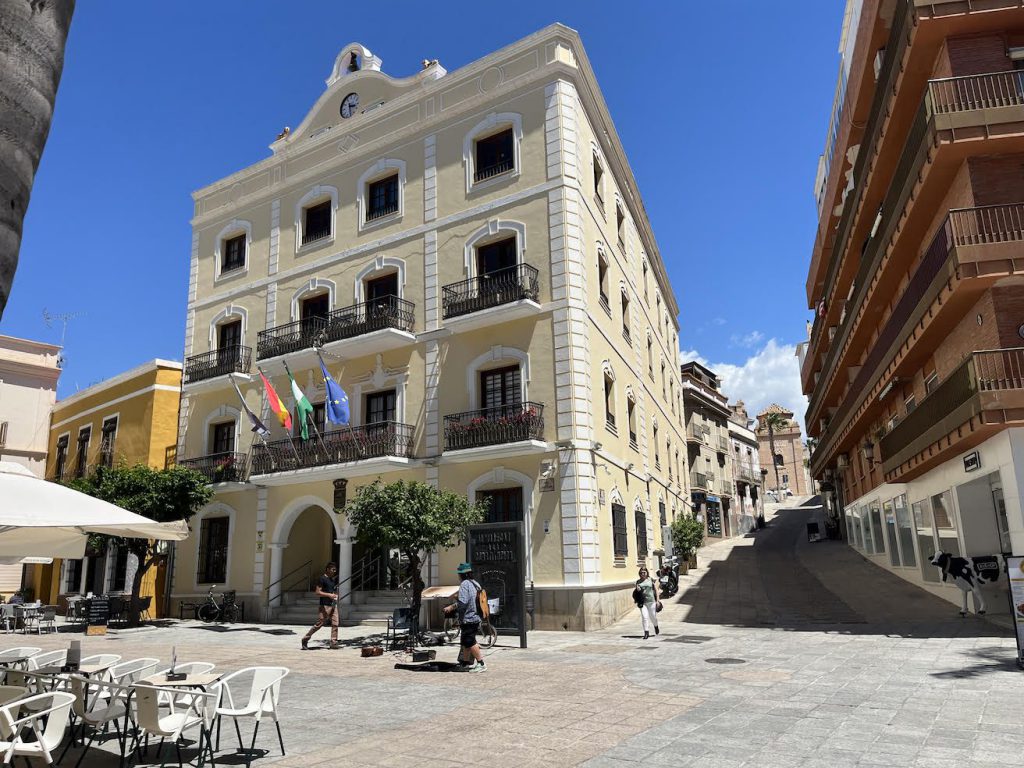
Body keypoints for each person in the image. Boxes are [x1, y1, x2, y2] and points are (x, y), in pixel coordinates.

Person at [443, 562, 486, 672]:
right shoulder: (476, 584)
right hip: (476, 617)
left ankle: (481, 663)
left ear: (462, 574)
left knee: (470, 641)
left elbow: (463, 603)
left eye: (459, 574)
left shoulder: (464, 584)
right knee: (465, 642)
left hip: (469, 618)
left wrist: (460, 618)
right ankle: (465, 663)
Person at [301, 561, 339, 650]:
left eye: (335, 570)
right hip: (324, 605)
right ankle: (305, 638)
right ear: (327, 569)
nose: (334, 571)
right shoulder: (322, 579)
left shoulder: (332, 580)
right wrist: (329, 595)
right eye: (333, 569)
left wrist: (335, 595)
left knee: (335, 624)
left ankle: (333, 643)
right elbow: (317, 592)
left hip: (333, 604)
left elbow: (332, 591)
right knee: (319, 624)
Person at [636, 566, 660, 639]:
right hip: (643, 602)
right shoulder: (638, 582)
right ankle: (646, 632)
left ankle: (656, 626)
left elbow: (656, 590)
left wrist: (657, 601)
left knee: (653, 617)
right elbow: (636, 593)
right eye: (641, 573)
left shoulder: (650, 580)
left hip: (651, 601)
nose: (643, 574)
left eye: (644, 572)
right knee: (645, 617)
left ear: (647, 573)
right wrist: (638, 589)